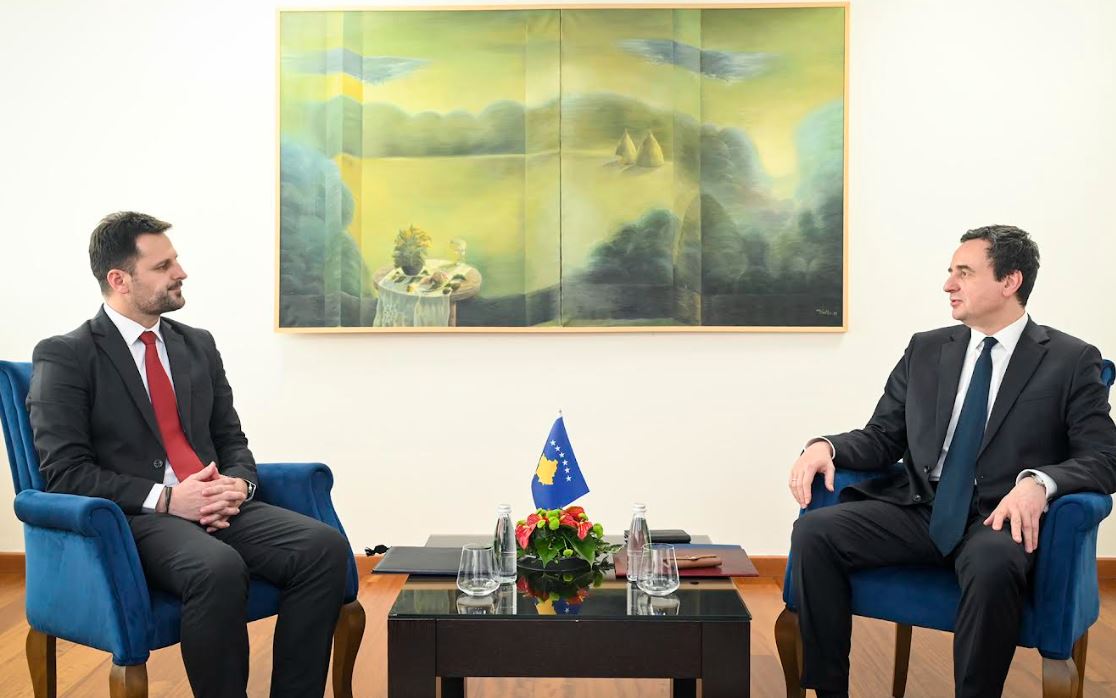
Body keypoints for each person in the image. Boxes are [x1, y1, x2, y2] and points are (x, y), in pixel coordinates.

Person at [26, 212, 351, 698]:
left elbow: (231, 438)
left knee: (323, 548)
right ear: (119, 279)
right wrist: (168, 500)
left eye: (175, 260)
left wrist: (238, 484)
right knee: (217, 568)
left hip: (216, 503)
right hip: (135, 518)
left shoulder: (197, 344)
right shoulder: (66, 355)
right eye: (163, 266)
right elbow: (65, 474)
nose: (181, 272)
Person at [787, 225, 1116, 698]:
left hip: (998, 518)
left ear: (1010, 281)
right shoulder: (926, 348)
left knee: (993, 564)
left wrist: (1039, 483)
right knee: (815, 532)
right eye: (950, 272)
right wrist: (826, 446)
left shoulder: (1070, 359)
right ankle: (828, 690)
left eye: (964, 272)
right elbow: (883, 436)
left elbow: (1104, 457)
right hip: (921, 507)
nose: (948, 284)